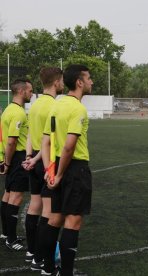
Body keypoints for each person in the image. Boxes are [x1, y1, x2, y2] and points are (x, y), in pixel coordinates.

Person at [41, 64, 93, 275]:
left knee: (54, 219)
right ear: (79, 82)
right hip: (74, 169)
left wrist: (49, 170)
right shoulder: (78, 108)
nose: (92, 82)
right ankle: (67, 272)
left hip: (55, 164)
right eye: (89, 78)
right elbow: (69, 146)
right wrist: (60, 174)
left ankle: (47, 269)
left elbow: (46, 142)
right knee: (73, 221)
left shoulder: (56, 105)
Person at [21, 67, 64, 267]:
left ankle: (31, 251)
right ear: (56, 82)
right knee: (48, 213)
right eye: (62, 80)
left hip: (35, 161)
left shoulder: (35, 105)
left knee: (34, 206)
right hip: (46, 162)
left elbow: (30, 135)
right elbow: (47, 141)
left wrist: (29, 156)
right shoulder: (52, 106)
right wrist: (38, 159)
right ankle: (41, 258)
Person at [0, 79, 33, 251]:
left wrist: (5, 161)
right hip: (17, 157)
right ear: (21, 91)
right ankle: (11, 239)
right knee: (16, 197)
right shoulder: (18, 113)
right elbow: (12, 141)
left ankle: (6, 233)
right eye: (29, 90)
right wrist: (8, 162)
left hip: (11, 158)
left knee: (7, 195)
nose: (31, 94)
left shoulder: (8, 110)